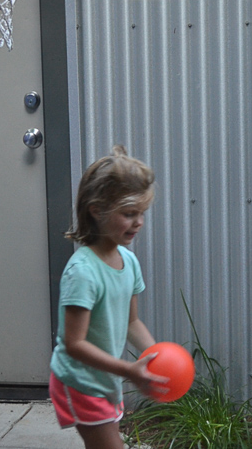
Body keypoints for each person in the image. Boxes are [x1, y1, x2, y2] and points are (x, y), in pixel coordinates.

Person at [50, 146, 168, 448]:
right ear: (97, 210)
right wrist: (129, 370)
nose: (139, 221)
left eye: (141, 213)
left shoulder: (129, 263)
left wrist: (159, 361)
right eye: (129, 214)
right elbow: (74, 344)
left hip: (105, 379)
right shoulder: (83, 272)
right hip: (80, 381)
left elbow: (131, 322)